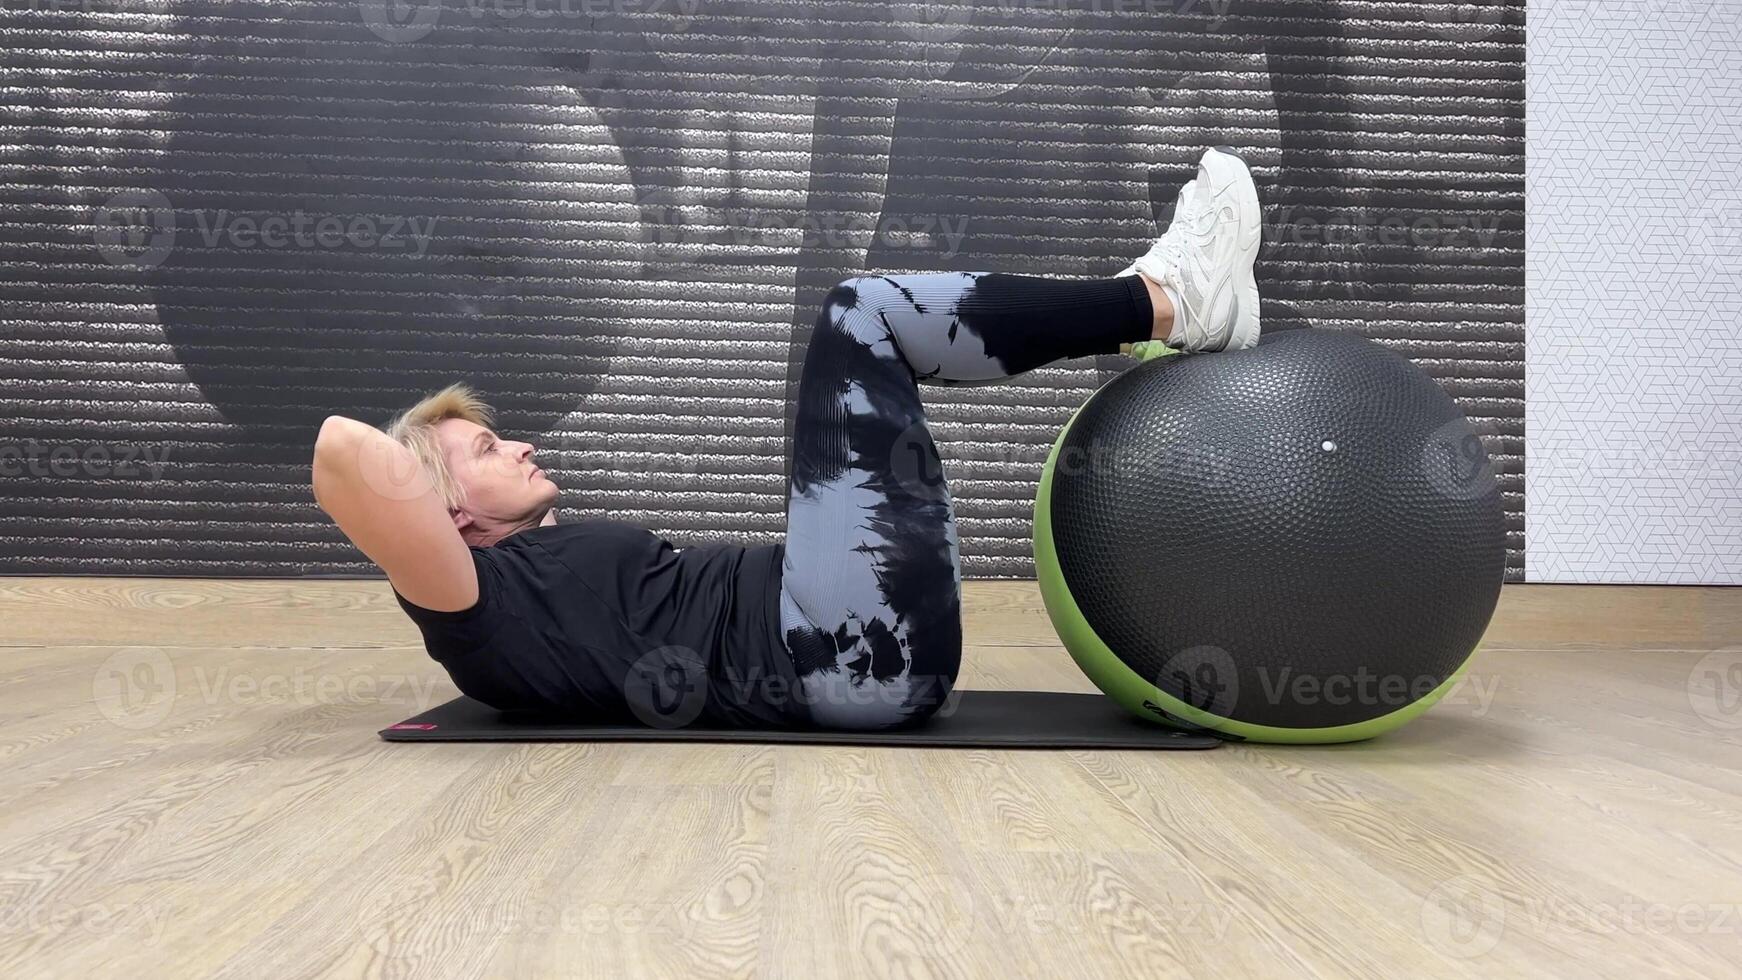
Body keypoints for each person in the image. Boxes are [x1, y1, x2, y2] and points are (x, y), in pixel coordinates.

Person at [311, 147, 1263, 730]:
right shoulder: (470, 604)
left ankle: (1166, 303)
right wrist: (423, 502)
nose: (516, 447)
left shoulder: (521, 582)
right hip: (842, 650)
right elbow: (342, 452)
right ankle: (1172, 300)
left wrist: (451, 469)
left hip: (843, 630)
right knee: (863, 316)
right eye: (483, 452)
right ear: (445, 510)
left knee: (868, 322)